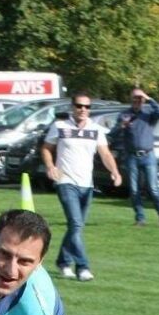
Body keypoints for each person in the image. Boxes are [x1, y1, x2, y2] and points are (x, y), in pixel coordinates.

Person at [41, 92, 122, 283]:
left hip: (87, 184)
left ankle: (63, 262)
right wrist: (50, 166)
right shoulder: (60, 126)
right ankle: (83, 267)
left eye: (86, 107)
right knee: (76, 224)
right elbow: (46, 148)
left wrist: (115, 172)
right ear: (72, 107)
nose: (83, 110)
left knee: (76, 227)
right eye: (79, 106)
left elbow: (105, 153)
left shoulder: (96, 129)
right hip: (66, 181)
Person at [111, 87, 159, 228]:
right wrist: (121, 126)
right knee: (134, 190)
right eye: (134, 99)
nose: (137, 101)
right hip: (132, 156)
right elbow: (113, 133)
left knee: (153, 188)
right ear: (131, 100)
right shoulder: (124, 115)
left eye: (140, 99)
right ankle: (140, 218)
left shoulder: (148, 114)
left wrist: (150, 99)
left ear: (143, 100)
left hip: (148, 155)